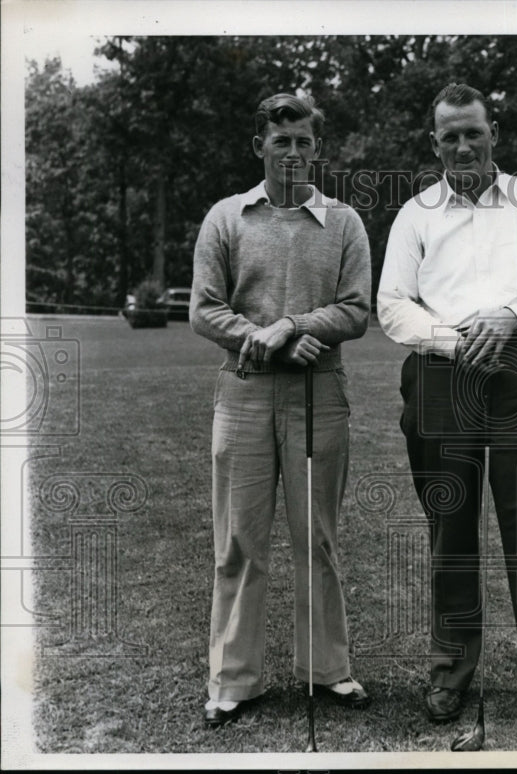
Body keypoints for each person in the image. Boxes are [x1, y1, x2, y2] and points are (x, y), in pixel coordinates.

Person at [377, 83, 517, 734]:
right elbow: (392, 305)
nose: (463, 145)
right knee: (451, 531)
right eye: (450, 136)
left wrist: (508, 316)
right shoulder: (416, 213)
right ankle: (449, 673)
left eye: (474, 132)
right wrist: (452, 339)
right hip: (441, 375)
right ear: (434, 142)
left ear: (492, 131)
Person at [190, 93, 372, 727]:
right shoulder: (227, 217)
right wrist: (262, 340)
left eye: (302, 141)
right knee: (239, 542)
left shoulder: (344, 222)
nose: (292, 152)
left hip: (321, 395)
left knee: (317, 538)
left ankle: (328, 671)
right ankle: (233, 681)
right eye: (280, 140)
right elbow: (204, 309)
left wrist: (292, 326)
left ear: (316, 148)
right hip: (243, 391)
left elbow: (355, 309)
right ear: (259, 146)